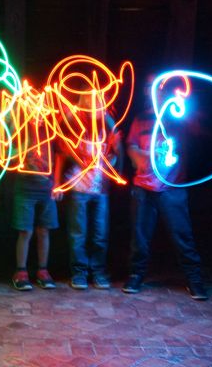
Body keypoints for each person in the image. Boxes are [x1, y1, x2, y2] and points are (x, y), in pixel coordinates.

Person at [122, 77, 208, 301]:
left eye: (158, 86)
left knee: (182, 234)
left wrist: (182, 108)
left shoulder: (177, 117)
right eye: (150, 86)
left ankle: (194, 279)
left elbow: (198, 130)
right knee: (140, 236)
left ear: (165, 89)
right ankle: (136, 275)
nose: (155, 89)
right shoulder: (141, 119)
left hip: (172, 187)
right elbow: (130, 146)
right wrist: (139, 156)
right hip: (143, 186)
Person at [57, 92, 123, 290]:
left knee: (100, 233)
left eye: (96, 100)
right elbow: (62, 147)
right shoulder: (75, 125)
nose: (93, 104)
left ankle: (98, 272)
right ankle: (79, 273)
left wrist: (115, 147)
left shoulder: (108, 126)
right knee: (78, 232)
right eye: (89, 100)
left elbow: (116, 158)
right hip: (78, 187)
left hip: (100, 188)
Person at [10, 94, 59, 291]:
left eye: (41, 109)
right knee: (25, 231)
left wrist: (56, 183)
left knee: (44, 230)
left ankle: (42, 270)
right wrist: (22, 152)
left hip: (46, 188)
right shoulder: (20, 131)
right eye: (33, 109)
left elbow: (56, 158)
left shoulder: (51, 132)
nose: (37, 113)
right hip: (25, 187)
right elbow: (7, 156)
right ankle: (20, 271)